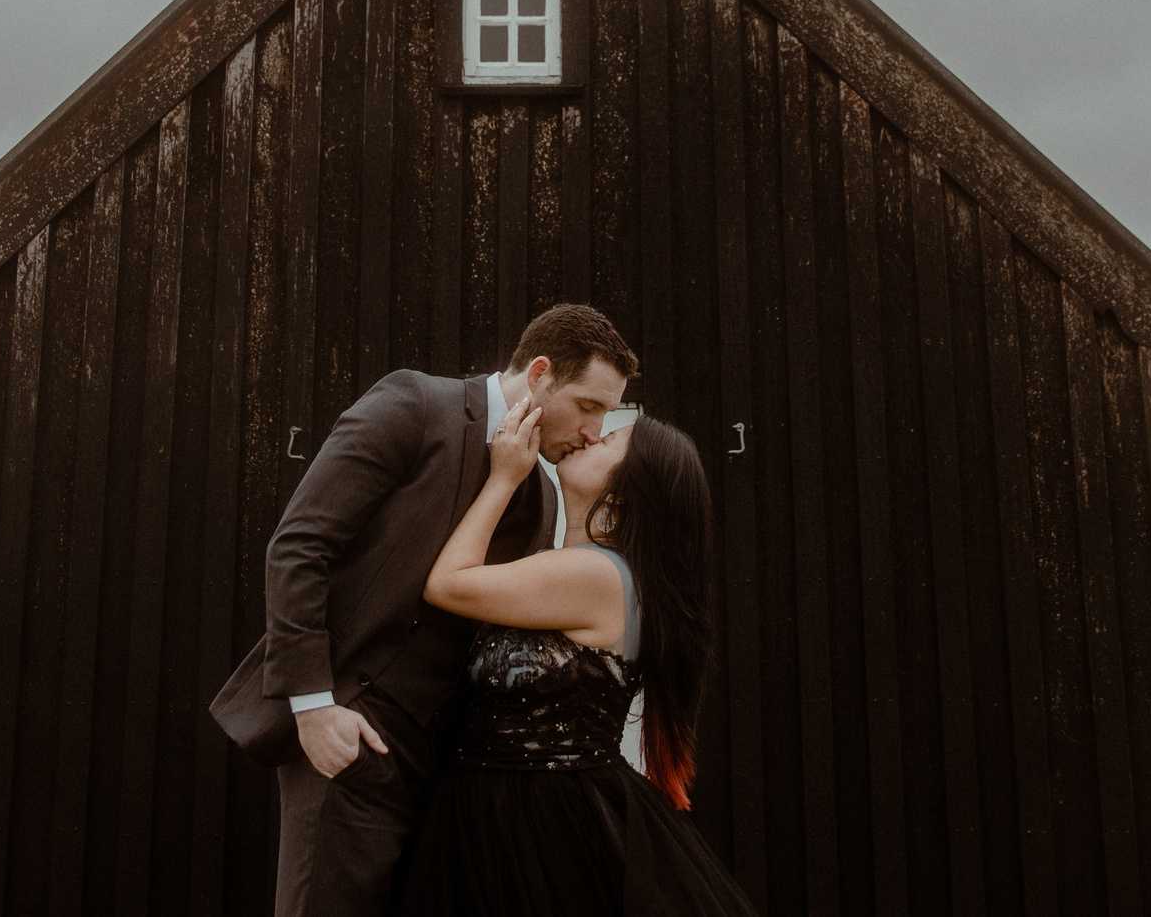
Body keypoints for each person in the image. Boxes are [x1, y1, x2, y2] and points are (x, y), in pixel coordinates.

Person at [210, 304, 638, 917]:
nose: (594, 432)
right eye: (590, 406)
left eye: (607, 415)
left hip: (443, 773)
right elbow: (300, 545)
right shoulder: (415, 405)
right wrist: (314, 707)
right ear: (540, 374)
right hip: (349, 730)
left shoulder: (541, 497)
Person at [394, 402, 757, 917]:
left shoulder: (596, 576)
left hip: (542, 820)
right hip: (491, 808)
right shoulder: (570, 567)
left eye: (610, 442)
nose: (592, 438)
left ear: (625, 493)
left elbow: (445, 584)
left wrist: (503, 477)